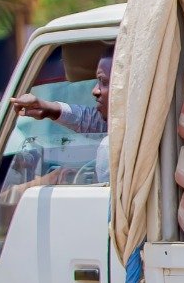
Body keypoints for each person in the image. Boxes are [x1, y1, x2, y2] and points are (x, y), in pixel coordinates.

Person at [10, 52, 112, 184]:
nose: (95, 90)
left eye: (103, 81)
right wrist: (49, 108)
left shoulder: (109, 147)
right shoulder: (131, 129)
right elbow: (104, 123)